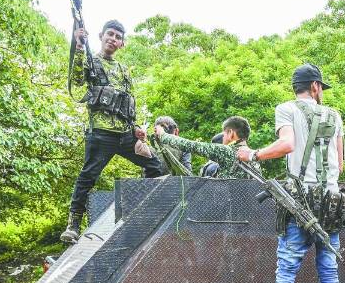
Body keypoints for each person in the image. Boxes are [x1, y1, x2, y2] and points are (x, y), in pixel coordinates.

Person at [233, 64, 345, 283]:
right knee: (329, 273)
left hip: (301, 203)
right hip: (332, 202)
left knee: (287, 270)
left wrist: (252, 154)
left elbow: (287, 145)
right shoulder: (335, 116)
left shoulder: (286, 109)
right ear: (316, 87)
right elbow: (341, 164)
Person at [60, 20, 167, 244]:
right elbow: (77, 83)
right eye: (110, 34)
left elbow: (129, 102)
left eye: (118, 37)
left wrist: (137, 127)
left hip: (126, 134)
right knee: (88, 176)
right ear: (101, 36)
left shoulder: (123, 70)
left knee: (155, 166)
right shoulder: (91, 61)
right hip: (101, 132)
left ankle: (146, 214)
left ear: (122, 44)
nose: (113, 39)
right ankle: (73, 224)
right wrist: (79, 47)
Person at [152, 116, 251, 175]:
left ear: (231, 133)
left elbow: (189, 145)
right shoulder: (252, 157)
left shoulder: (227, 152)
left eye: (224, 133)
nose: (222, 137)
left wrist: (162, 135)